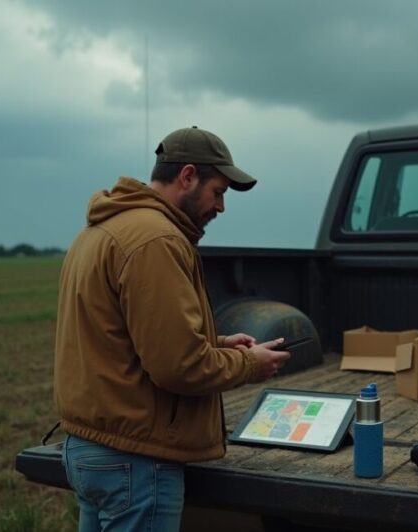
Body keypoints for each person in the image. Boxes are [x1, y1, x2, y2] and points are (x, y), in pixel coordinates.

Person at [54, 126, 292, 531]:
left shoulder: (98, 231)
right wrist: (249, 364)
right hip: (135, 460)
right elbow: (179, 366)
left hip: (88, 449)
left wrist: (218, 344)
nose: (221, 207)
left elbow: (123, 337)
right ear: (187, 176)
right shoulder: (157, 240)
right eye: (218, 192)